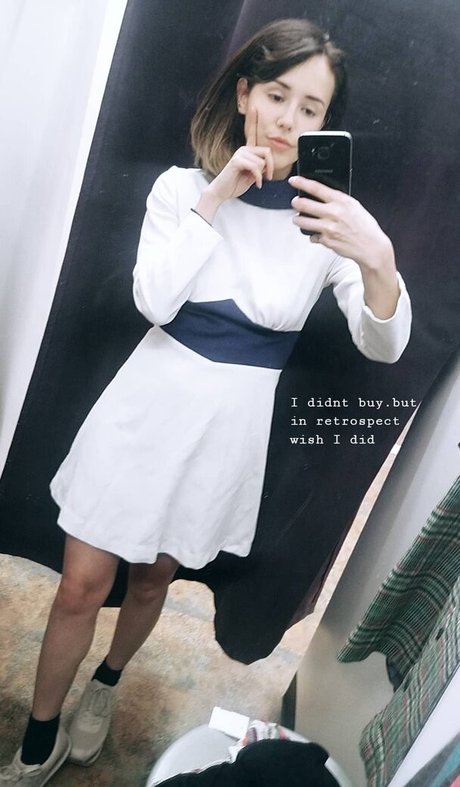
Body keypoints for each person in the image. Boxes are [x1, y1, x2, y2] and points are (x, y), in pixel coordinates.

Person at [0, 18, 411, 786]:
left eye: (312, 108)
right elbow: (154, 300)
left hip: (224, 434)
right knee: (80, 587)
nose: (288, 120)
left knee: (152, 580)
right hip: (141, 414)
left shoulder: (324, 227)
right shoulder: (181, 190)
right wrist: (220, 192)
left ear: (328, 124)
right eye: (277, 95)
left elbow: (381, 343)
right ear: (245, 93)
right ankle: (39, 734)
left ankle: (107, 683)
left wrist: (378, 258)